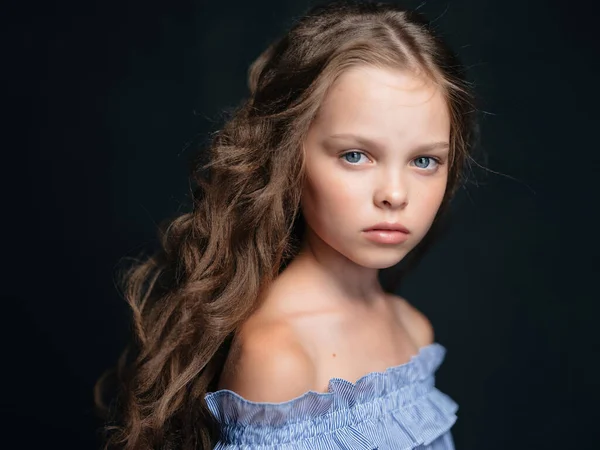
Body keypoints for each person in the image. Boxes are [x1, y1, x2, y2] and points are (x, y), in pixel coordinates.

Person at [94, 1, 478, 449]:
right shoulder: (279, 357)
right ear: (290, 156)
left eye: (424, 160)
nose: (394, 193)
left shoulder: (414, 332)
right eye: (355, 155)